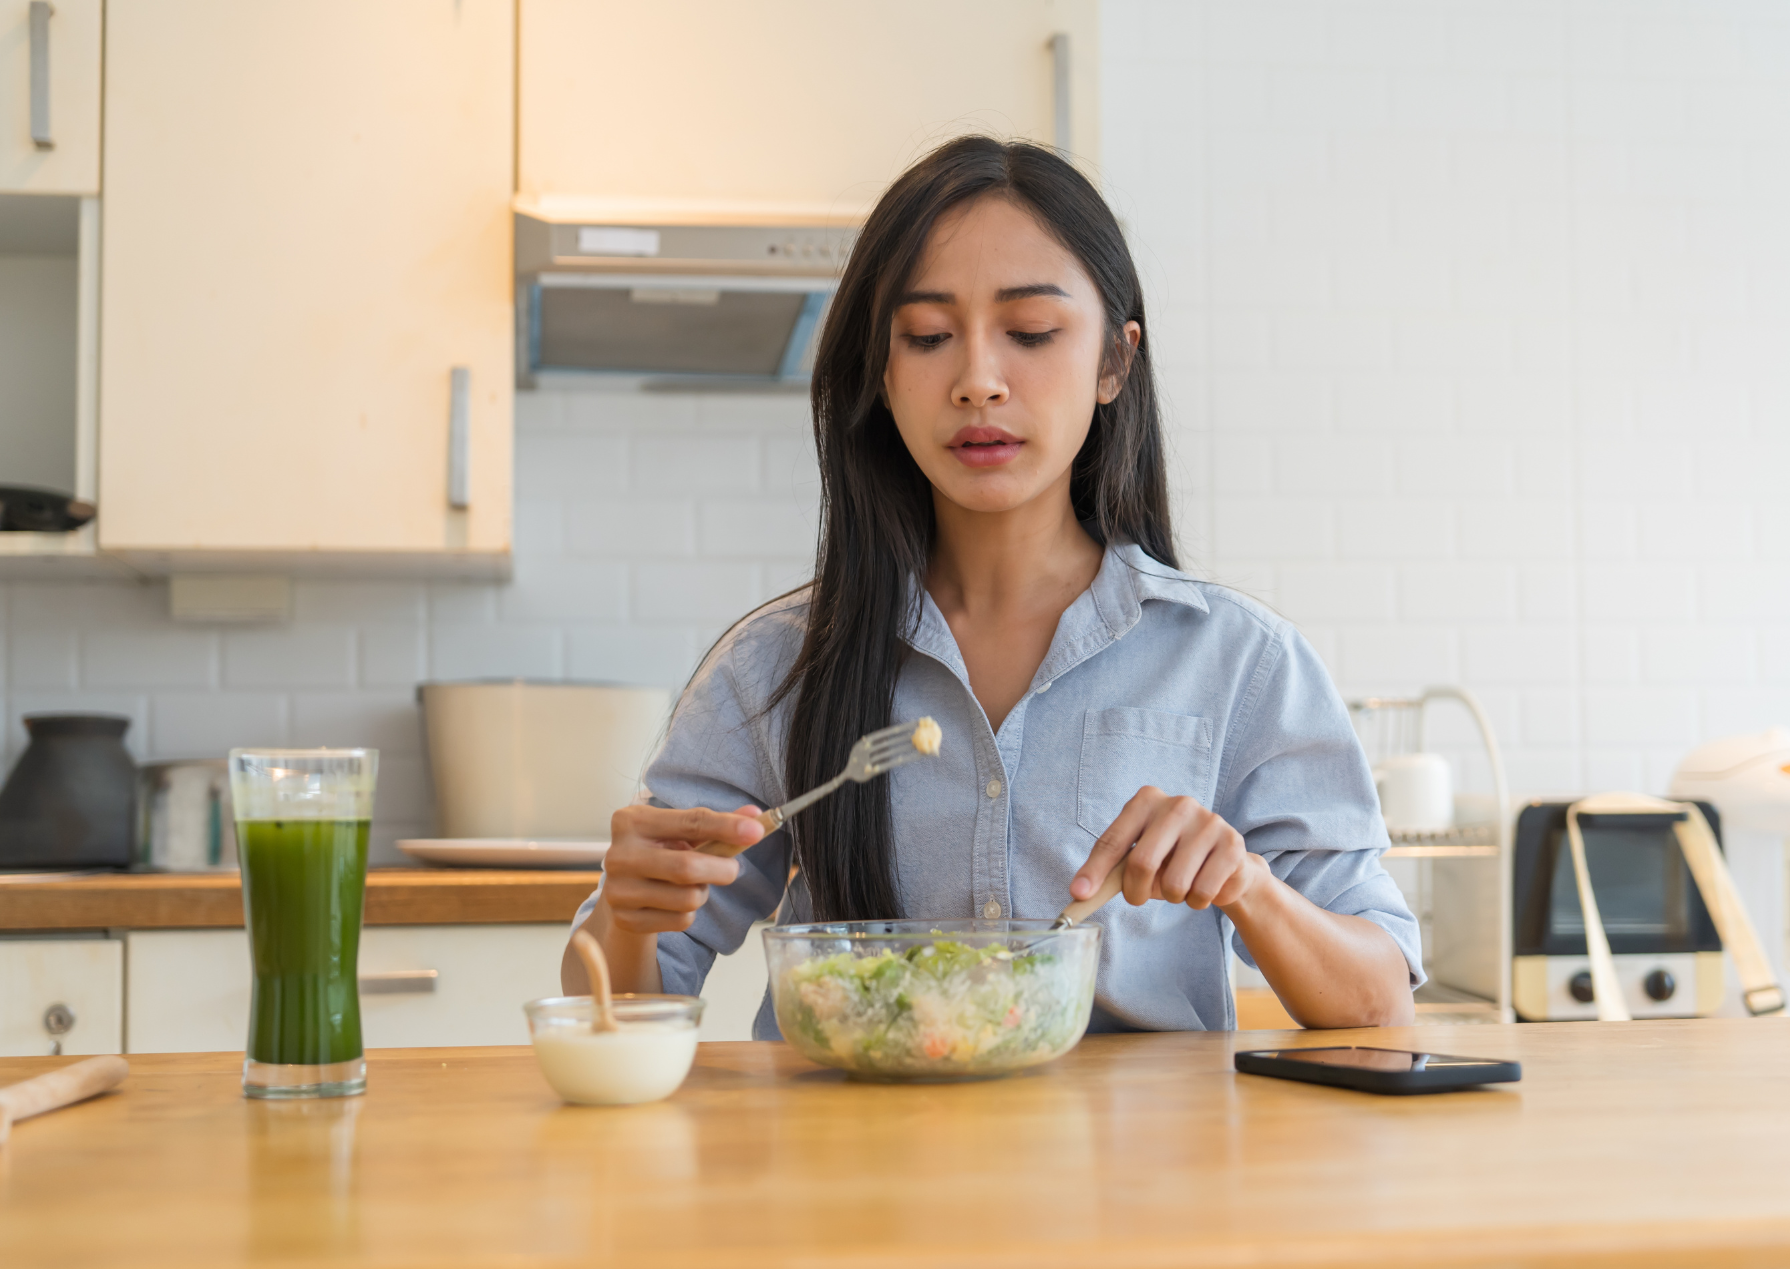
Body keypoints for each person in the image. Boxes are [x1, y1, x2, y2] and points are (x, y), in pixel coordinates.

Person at [563, 136, 1419, 1034]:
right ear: (882, 375)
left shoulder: (1241, 663)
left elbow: (1379, 996)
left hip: (1135, 1175)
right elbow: (613, 1014)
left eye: (1032, 333)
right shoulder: (775, 666)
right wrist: (630, 914)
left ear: (1113, 364)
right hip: (841, 1171)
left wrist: (1247, 886)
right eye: (928, 337)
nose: (977, 381)